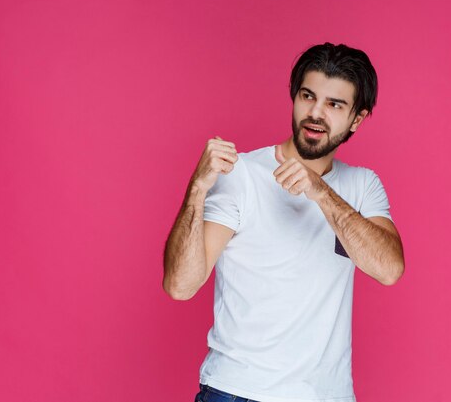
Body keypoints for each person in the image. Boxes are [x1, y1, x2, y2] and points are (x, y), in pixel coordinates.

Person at [163, 42, 405, 402]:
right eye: (308, 96)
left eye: (334, 104)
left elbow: (388, 269)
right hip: (238, 392)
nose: (315, 113)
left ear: (358, 118)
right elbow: (180, 286)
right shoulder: (241, 174)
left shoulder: (362, 186)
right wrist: (197, 189)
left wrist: (320, 191)